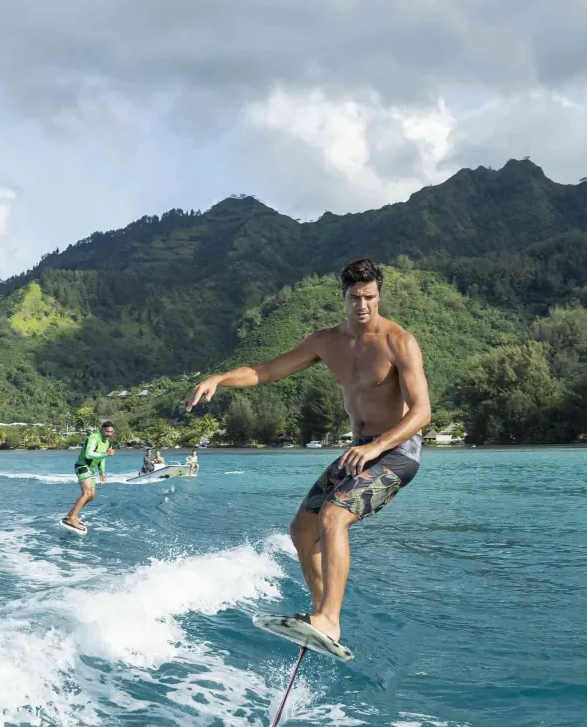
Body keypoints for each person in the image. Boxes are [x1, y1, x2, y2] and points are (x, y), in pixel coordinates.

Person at [184, 258, 429, 652]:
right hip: (360, 450)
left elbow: (422, 412)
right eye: (355, 298)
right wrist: (219, 379)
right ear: (343, 297)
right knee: (302, 529)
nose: (363, 306)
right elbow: (265, 371)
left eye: (370, 297)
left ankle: (330, 618)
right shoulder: (326, 342)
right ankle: (320, 615)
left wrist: (376, 446)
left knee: (333, 517)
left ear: (379, 296)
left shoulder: (398, 341)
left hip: (397, 449)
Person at [64, 420, 118, 531]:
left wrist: (102, 473)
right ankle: (72, 518)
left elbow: (101, 459)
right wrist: (106, 453)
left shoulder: (107, 442)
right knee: (87, 492)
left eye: (111, 432)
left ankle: (70, 514)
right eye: (107, 431)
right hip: (82, 466)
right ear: (102, 429)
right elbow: (88, 455)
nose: (109, 434)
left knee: (92, 496)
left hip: (91, 470)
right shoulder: (94, 437)